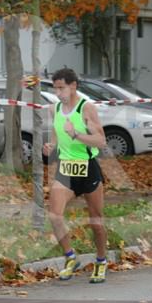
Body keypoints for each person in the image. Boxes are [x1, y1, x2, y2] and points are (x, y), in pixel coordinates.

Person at [42, 68, 109, 283]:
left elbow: (100, 141)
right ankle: (70, 257)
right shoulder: (55, 109)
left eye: (61, 88)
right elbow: (55, 137)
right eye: (56, 88)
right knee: (54, 215)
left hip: (88, 168)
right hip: (66, 169)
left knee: (96, 222)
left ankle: (101, 261)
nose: (58, 92)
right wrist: (50, 148)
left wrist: (77, 134)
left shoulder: (85, 108)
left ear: (73, 86)